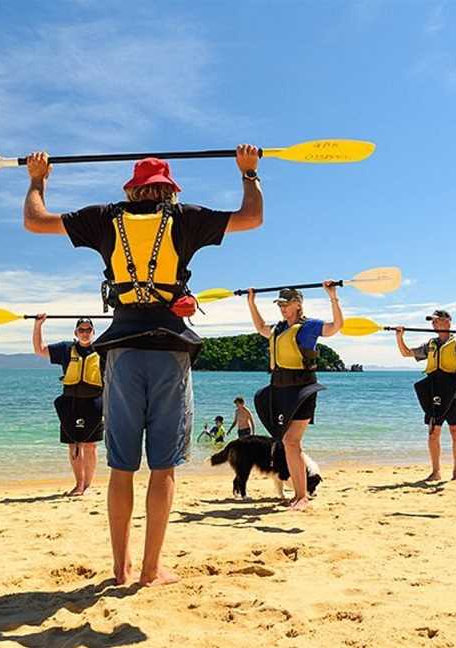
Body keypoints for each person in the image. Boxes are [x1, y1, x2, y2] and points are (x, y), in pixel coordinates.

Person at [23, 144, 262, 586]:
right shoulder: (185, 217)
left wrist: (38, 178)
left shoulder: (102, 217)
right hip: (169, 353)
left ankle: (121, 569)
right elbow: (252, 217)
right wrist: (248, 172)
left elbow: (35, 221)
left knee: (121, 468)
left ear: (132, 191)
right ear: (169, 192)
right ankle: (151, 570)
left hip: (122, 354)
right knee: (163, 468)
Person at [248, 283, 343, 511]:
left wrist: (333, 297)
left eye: (286, 304)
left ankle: (302, 497)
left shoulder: (308, 327)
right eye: (280, 304)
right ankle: (299, 495)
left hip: (303, 389)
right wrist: (251, 302)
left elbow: (336, 326)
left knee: (291, 441)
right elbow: (261, 327)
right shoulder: (279, 329)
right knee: (288, 443)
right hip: (279, 389)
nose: (282, 308)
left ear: (298, 304)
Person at [395, 310, 456, 481]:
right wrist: (399, 337)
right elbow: (406, 353)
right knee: (433, 432)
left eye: (437, 321)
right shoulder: (430, 344)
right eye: (433, 322)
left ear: (448, 322)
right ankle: (436, 472)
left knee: (455, 430)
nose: (434, 324)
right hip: (434, 391)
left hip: (453, 392)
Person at [32, 315, 103, 496]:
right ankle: (78, 485)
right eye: (82, 330)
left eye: (88, 330)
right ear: (76, 332)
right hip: (71, 402)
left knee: (90, 446)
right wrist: (38, 325)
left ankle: (87, 485)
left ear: (93, 332)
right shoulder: (66, 349)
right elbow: (39, 350)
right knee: (73, 445)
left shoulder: (103, 350)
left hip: (94, 402)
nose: (85, 333)